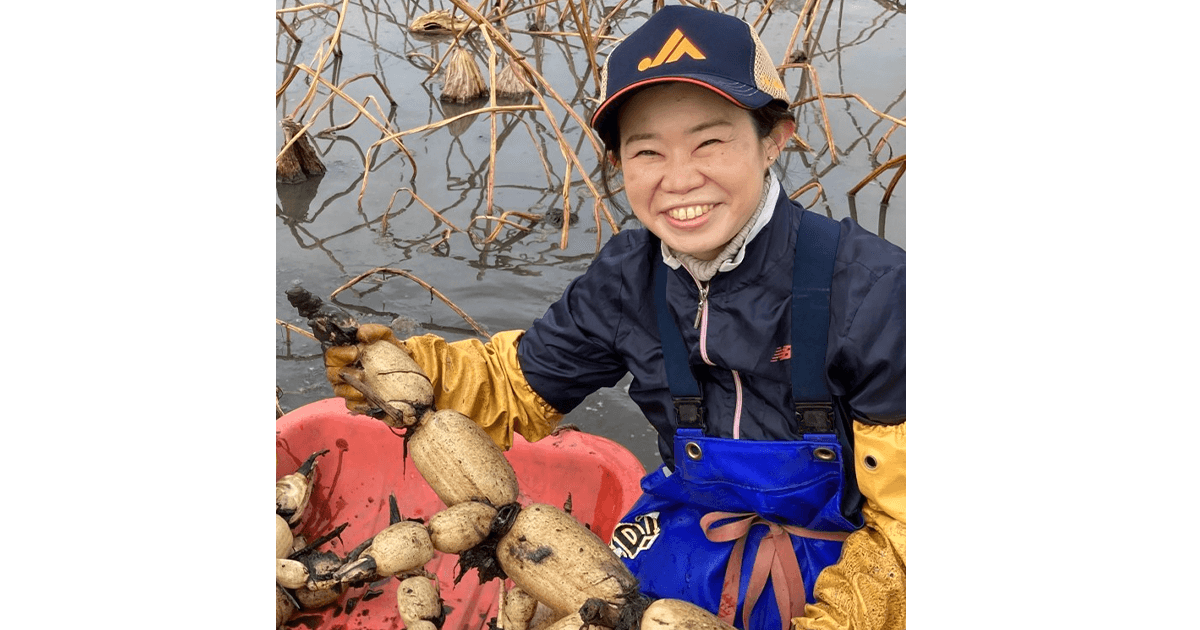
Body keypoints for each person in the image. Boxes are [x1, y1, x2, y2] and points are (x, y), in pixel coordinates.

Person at [324, 6, 905, 630]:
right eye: (647, 151)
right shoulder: (630, 275)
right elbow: (515, 384)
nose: (680, 180)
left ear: (775, 138)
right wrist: (399, 369)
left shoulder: (874, 292)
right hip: (687, 529)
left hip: (850, 563)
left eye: (710, 141)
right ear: (619, 162)